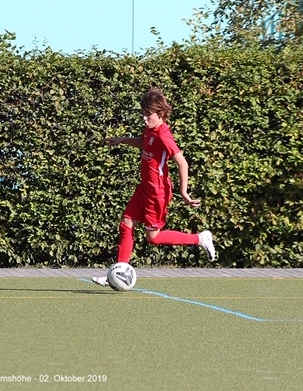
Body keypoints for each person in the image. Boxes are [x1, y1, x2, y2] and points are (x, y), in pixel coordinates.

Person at [92, 87, 215, 286]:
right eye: (143, 113)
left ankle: (200, 239)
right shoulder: (150, 130)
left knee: (154, 238)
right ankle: (118, 272)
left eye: (148, 114)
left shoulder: (164, 135)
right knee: (126, 223)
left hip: (157, 193)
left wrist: (183, 192)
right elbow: (144, 143)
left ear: (161, 114)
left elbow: (182, 163)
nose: (144, 118)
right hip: (144, 188)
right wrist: (123, 140)